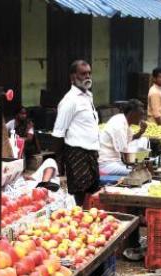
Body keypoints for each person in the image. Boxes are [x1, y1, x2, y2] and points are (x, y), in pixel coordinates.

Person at [53, 60, 100, 206]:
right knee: (79, 193)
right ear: (73, 77)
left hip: (92, 152)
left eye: (89, 73)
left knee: (92, 189)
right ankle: (77, 218)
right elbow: (58, 134)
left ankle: (87, 219)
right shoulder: (69, 100)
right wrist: (60, 164)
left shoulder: (88, 97)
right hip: (76, 153)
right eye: (83, 74)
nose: (87, 77)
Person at [98, 99, 147, 176]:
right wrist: (140, 160)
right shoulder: (119, 125)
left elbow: (131, 138)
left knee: (140, 169)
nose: (142, 118)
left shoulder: (123, 120)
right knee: (137, 173)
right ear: (132, 113)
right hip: (106, 164)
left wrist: (141, 131)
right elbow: (125, 154)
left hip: (115, 162)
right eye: (140, 114)